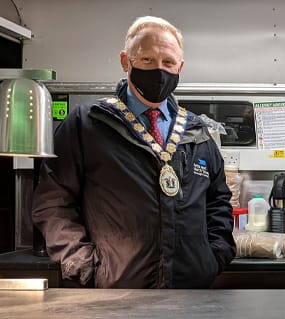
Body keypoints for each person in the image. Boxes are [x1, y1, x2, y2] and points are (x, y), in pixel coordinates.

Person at [32, 16, 235, 288]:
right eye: (147, 60)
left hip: (191, 293)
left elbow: (218, 200)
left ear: (180, 67)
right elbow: (53, 201)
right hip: (115, 292)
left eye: (168, 63)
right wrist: (83, 264)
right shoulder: (88, 124)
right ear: (125, 61)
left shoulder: (196, 132)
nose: (159, 70)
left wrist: (214, 256)